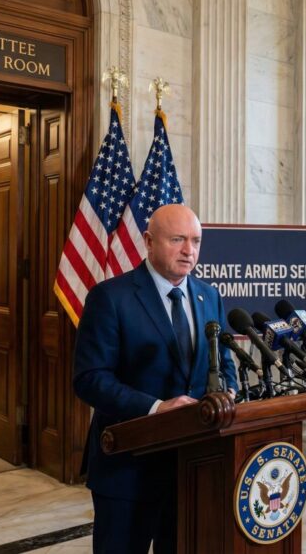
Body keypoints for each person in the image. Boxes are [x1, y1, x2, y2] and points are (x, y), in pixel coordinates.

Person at [72, 204, 237, 553]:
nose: (189, 251)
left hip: (192, 467)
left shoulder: (210, 296)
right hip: (128, 469)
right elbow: (89, 378)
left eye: (195, 241)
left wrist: (231, 391)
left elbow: (223, 360)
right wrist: (157, 407)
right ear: (148, 241)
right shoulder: (110, 297)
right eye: (177, 239)